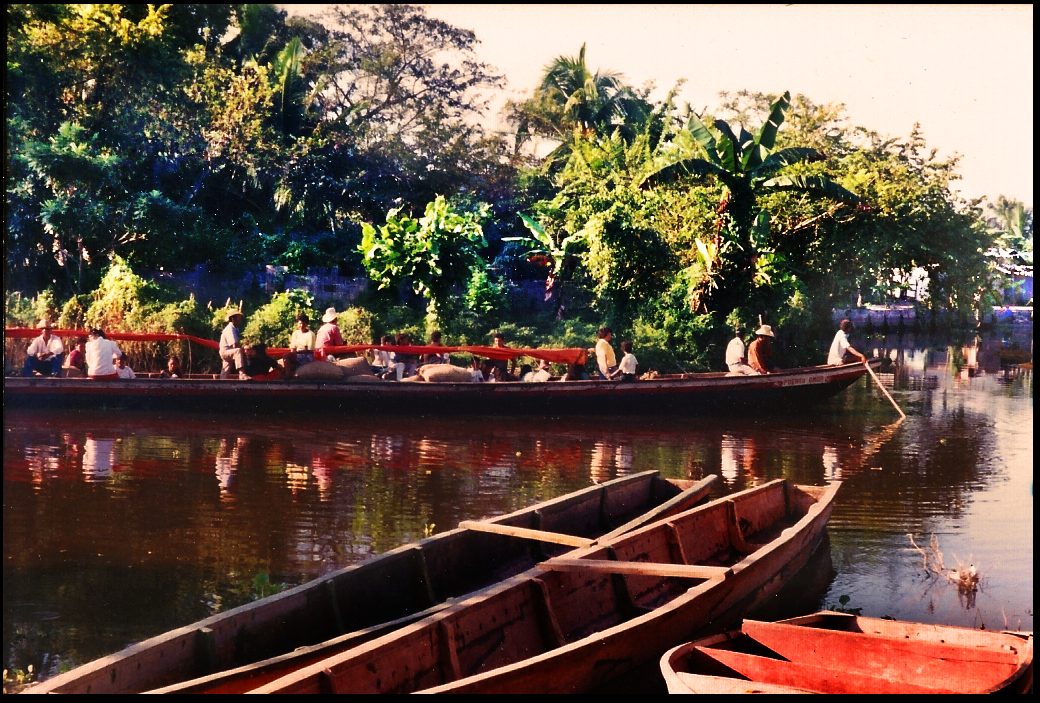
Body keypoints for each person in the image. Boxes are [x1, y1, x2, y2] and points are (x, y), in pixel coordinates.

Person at [219, 309, 247, 379]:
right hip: (225, 352)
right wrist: (244, 352)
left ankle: (221, 381)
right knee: (238, 351)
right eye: (238, 317)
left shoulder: (236, 328)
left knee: (226, 368)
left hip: (228, 352)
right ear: (233, 319)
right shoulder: (230, 329)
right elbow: (234, 345)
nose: (240, 319)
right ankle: (242, 374)